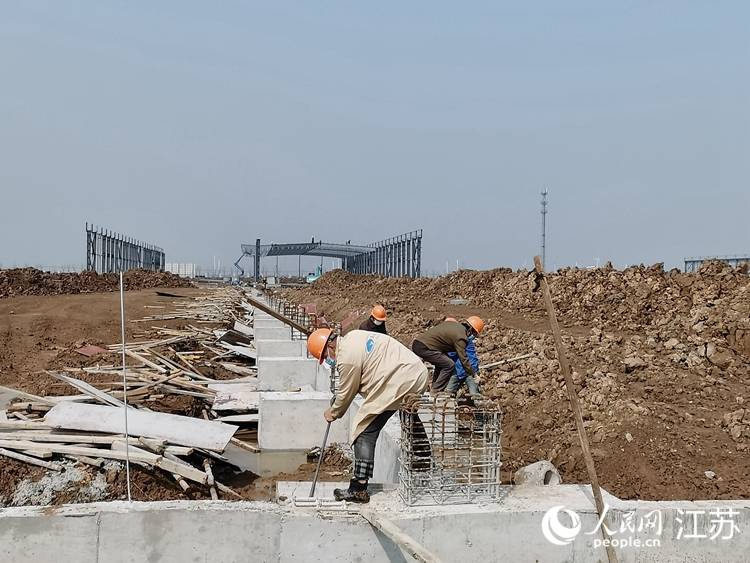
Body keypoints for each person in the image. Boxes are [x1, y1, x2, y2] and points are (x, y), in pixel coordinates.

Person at [307, 327, 429, 503]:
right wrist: (341, 396)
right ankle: (424, 461)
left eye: (326, 357)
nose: (328, 361)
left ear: (329, 347)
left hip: (400, 379)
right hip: (416, 373)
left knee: (364, 429)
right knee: (408, 416)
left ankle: (358, 488)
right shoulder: (353, 337)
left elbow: (347, 391)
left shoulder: (346, 358)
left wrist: (333, 412)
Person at [411, 316, 485, 393]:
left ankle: (435, 388)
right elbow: (463, 358)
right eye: (474, 333)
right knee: (450, 364)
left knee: (442, 363)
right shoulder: (461, 336)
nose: (473, 336)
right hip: (424, 347)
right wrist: (474, 375)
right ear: (470, 329)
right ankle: (436, 391)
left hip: (420, 344)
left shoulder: (454, 327)